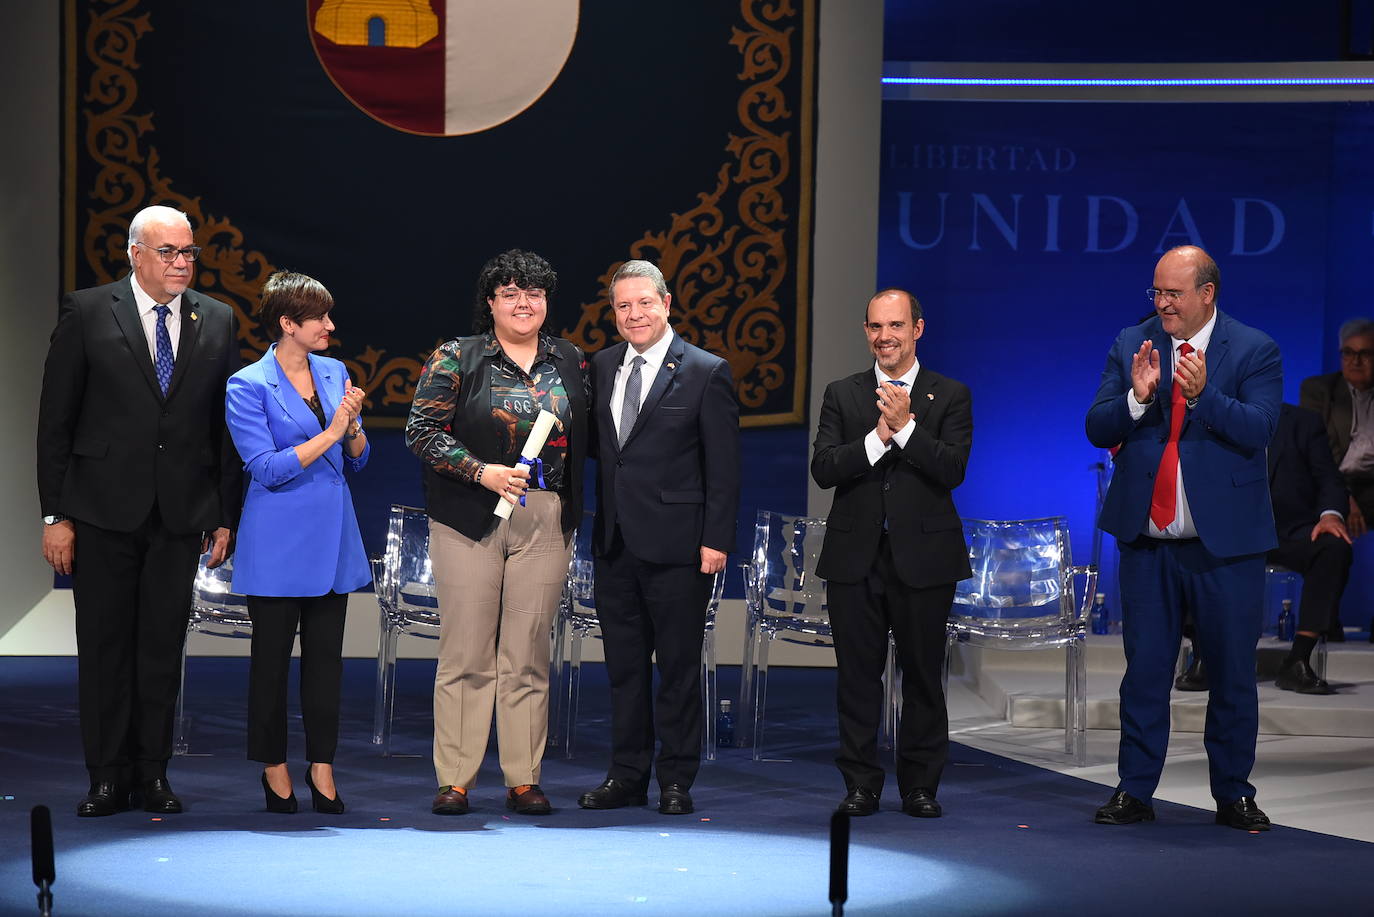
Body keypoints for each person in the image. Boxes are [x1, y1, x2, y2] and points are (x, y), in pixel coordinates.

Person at [37, 204, 241, 817]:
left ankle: (151, 773)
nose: (181, 264)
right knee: (104, 647)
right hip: (98, 511)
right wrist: (55, 516)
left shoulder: (218, 319)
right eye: (168, 253)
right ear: (135, 253)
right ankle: (105, 775)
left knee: (159, 646)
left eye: (188, 253)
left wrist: (224, 513)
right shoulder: (88, 310)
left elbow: (221, 428)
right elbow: (55, 423)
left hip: (179, 514)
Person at [1086, 244, 1281, 831]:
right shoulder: (1132, 342)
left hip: (1226, 547)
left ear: (1207, 294)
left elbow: (1260, 429)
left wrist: (1203, 398)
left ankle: (1233, 793)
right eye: (1157, 292)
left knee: (1230, 674)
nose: (1162, 303)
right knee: (1144, 670)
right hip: (1148, 545)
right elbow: (1097, 426)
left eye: (1173, 293)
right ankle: (1135, 790)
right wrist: (1137, 397)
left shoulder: (1253, 348)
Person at [406, 250, 588, 817]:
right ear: (491, 303)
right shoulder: (457, 356)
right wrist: (481, 471)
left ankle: (522, 778)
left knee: (528, 652)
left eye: (533, 293)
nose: (523, 302)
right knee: (466, 650)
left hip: (546, 517)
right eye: (510, 293)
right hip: (469, 516)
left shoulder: (570, 359)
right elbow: (421, 431)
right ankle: (456, 778)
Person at [577, 259, 740, 816]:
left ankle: (676, 780)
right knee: (624, 670)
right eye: (623, 306)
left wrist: (716, 539)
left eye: (643, 303)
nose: (633, 314)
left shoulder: (704, 371)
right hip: (616, 543)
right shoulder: (599, 367)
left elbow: (724, 468)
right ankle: (626, 776)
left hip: (680, 545)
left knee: (676, 669)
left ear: (666, 304)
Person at [811, 288, 972, 819]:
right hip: (855, 558)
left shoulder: (950, 394)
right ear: (866, 332)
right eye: (876, 327)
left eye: (896, 326)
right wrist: (877, 440)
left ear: (917, 329)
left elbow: (951, 469)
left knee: (923, 676)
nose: (886, 337)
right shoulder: (843, 393)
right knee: (857, 677)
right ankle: (860, 784)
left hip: (925, 560)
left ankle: (920, 786)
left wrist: (905, 427)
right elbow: (826, 467)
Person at [224, 271, 370, 815]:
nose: (330, 326)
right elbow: (264, 469)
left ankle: (323, 766)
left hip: (332, 541)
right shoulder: (248, 385)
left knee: (326, 664)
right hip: (278, 544)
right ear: (288, 324)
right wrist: (332, 432)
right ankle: (273, 767)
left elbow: (357, 458)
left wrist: (351, 430)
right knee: (270, 665)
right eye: (320, 318)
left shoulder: (333, 371)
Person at [1264, 404, 1351, 692]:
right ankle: (1203, 656)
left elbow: (1328, 478)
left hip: (1288, 532)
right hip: (1229, 532)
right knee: (1189, 543)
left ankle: (1298, 659)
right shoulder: (1209, 417)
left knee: (1333, 545)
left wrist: (1329, 514)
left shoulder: (1302, 422)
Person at [1299, 317, 1374, 548]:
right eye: (1348, 353)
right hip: (1331, 482)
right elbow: (1317, 455)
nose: (1355, 361)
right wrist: (1345, 498)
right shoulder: (1319, 391)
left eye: (1365, 354)